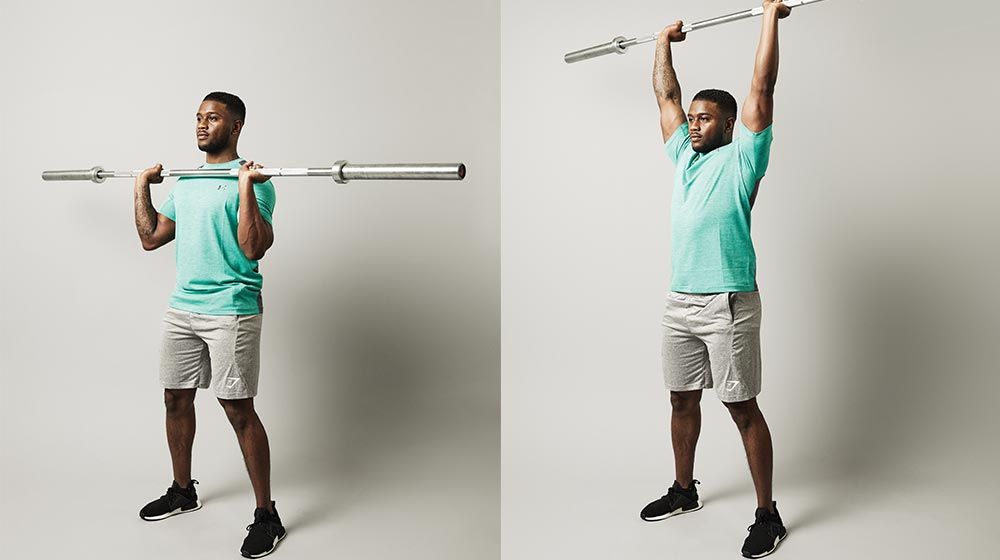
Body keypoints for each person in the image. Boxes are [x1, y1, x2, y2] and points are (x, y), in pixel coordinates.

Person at [639, 1, 791, 557]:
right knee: (681, 401)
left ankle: (767, 515)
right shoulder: (684, 158)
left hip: (729, 302)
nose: (694, 124)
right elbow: (666, 97)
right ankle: (684, 491)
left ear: (729, 123)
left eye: (705, 118)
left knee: (742, 407)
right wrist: (661, 42)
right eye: (694, 118)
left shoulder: (745, 157)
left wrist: (768, 17)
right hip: (680, 301)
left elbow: (761, 86)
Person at [132, 91, 286, 558]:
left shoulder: (258, 182)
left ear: (235, 126)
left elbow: (253, 247)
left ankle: (267, 516)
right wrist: (141, 185)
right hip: (183, 306)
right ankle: (183, 491)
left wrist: (243, 187)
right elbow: (151, 237)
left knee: (238, 410)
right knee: (174, 398)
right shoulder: (189, 182)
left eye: (212, 118)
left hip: (232, 308)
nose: (201, 125)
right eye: (198, 117)